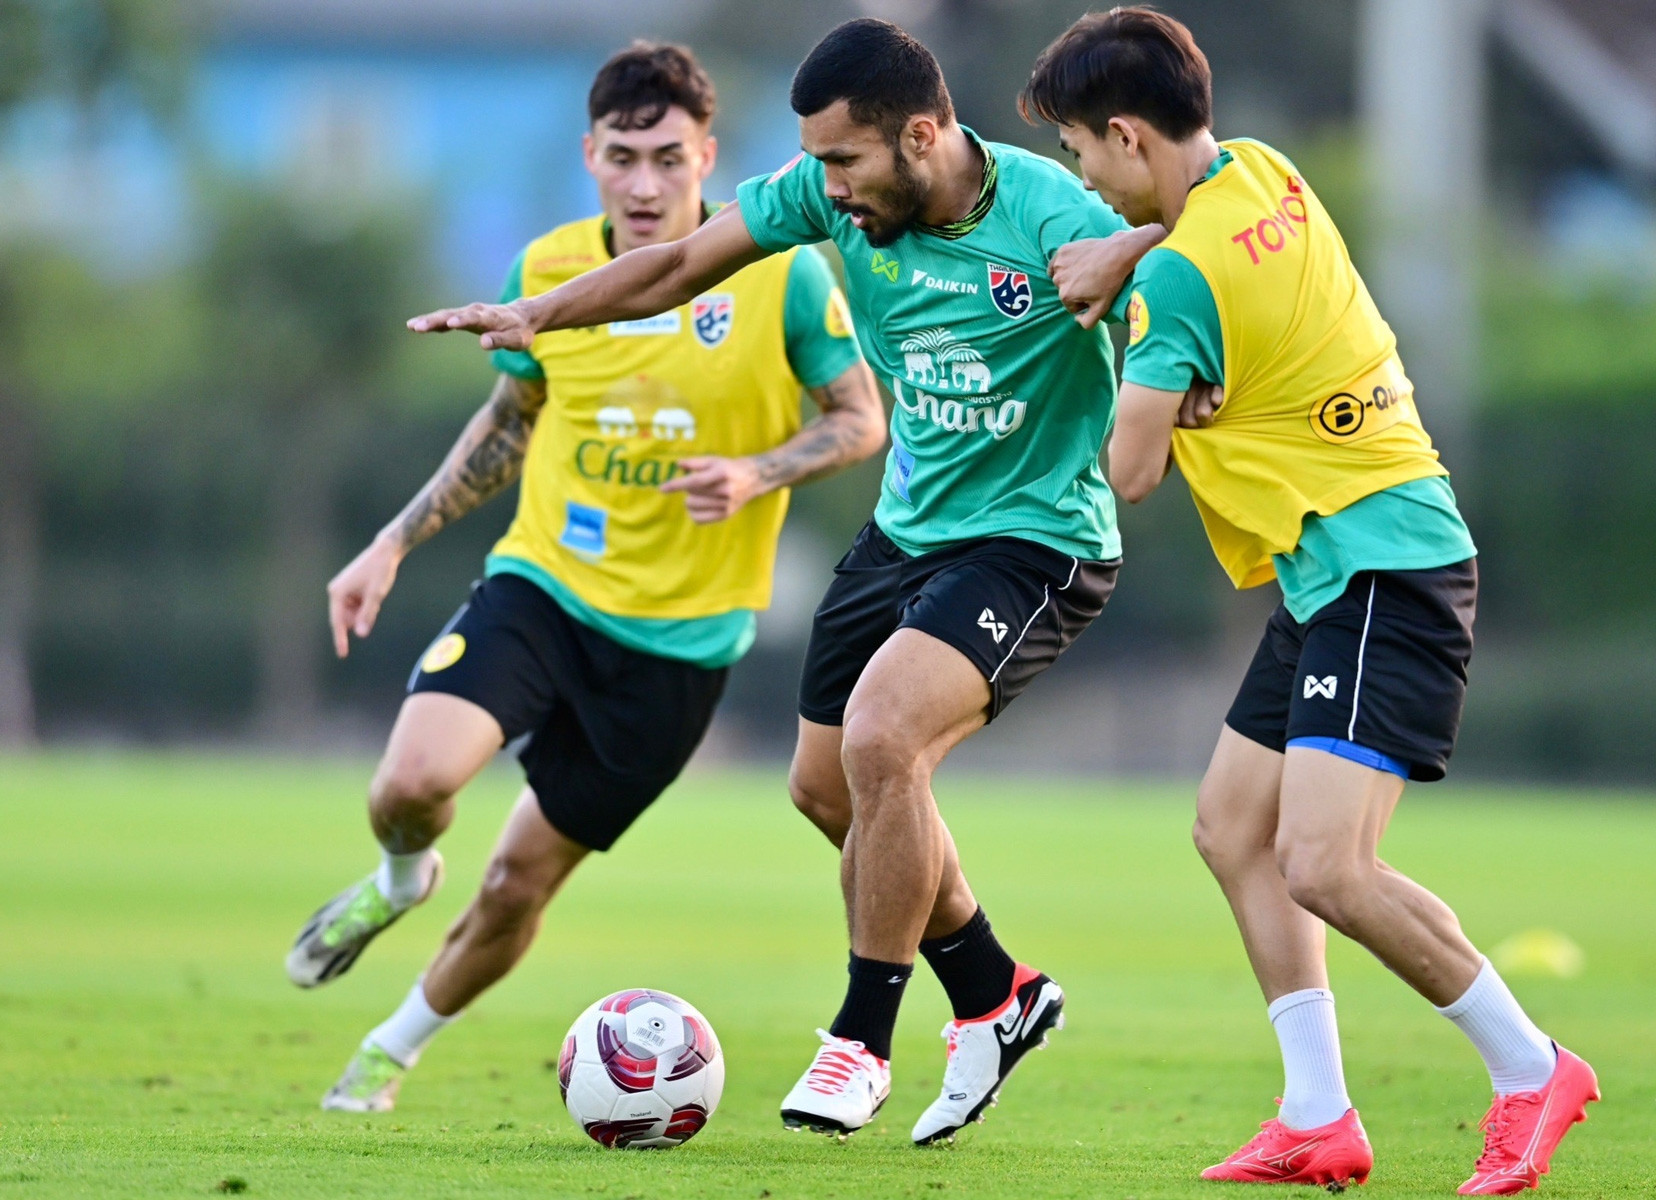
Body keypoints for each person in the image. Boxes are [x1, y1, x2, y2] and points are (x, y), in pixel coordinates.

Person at [410, 17, 1178, 1146]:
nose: (824, 187)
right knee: (826, 788)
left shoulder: (1056, 216)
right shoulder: (826, 197)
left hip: (1036, 542)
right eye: (813, 161)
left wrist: (1147, 262)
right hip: (905, 535)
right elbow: (674, 266)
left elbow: (1215, 228)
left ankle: (861, 1040)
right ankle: (997, 992)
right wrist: (539, 313)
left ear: (923, 135)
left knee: (882, 742)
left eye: (843, 161)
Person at [1022, 9, 1598, 1195]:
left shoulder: (1177, 280)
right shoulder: (1262, 170)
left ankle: (1533, 1068)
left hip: (1381, 564)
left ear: (1126, 136)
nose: (1081, 175)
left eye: (1081, 149)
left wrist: (1136, 351)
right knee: (1232, 829)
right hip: (1341, 560)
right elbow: (1193, 223)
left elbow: (1128, 474)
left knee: (1326, 865)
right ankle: (1318, 1113)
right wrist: (1133, 261)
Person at [285, 41, 884, 1113]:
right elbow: (510, 424)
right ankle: (398, 880)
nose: (647, 185)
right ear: (590, 157)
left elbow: (859, 419)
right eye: (622, 159)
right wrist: (390, 543)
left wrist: (760, 469)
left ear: (710, 154)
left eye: (668, 158)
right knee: (410, 787)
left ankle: (390, 1049)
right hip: (544, 590)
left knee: (518, 884)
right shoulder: (550, 268)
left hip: (680, 646)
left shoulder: (783, 274)